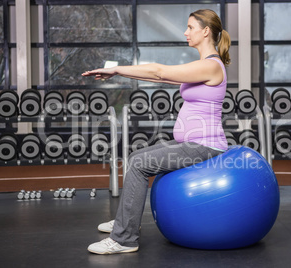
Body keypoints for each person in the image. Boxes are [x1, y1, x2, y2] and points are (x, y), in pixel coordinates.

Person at [82, 9, 231, 255]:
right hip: (193, 142)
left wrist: (117, 69)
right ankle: (126, 220)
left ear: (206, 31)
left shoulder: (212, 66)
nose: (185, 32)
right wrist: (118, 72)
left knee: (140, 163)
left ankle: (125, 239)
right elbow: (159, 78)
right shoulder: (202, 67)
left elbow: (159, 71)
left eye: (190, 27)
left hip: (205, 146)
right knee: (135, 158)